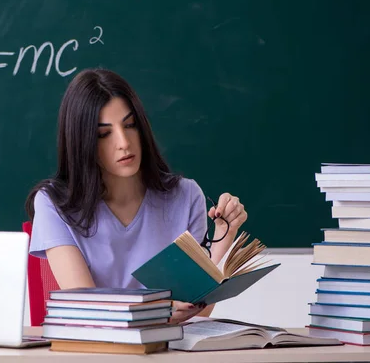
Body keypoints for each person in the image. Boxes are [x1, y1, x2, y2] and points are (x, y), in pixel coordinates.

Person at [25, 68, 248, 323]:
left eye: (130, 125)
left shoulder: (186, 196)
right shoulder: (53, 203)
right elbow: (87, 309)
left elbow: (197, 313)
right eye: (103, 134)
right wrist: (157, 311)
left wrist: (222, 237)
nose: (123, 142)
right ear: (82, 141)